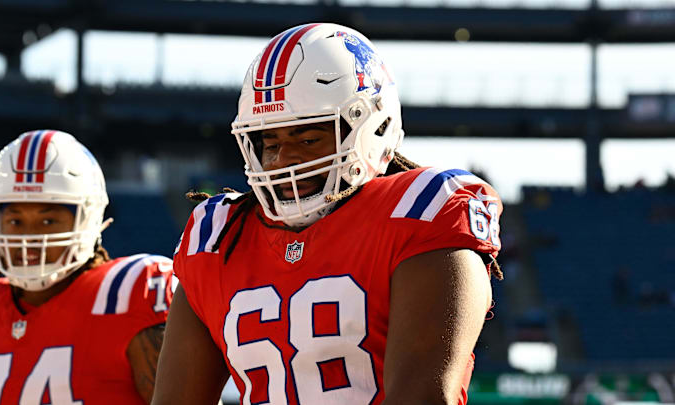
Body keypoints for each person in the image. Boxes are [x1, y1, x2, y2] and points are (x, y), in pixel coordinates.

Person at [153, 23, 503, 405]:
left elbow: (424, 396)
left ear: (372, 126)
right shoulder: (217, 237)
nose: (283, 161)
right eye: (270, 142)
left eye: (307, 139)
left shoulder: (422, 211)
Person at [0, 130, 174, 405]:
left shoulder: (133, 292)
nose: (29, 238)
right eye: (15, 221)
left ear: (88, 218)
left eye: (48, 222)